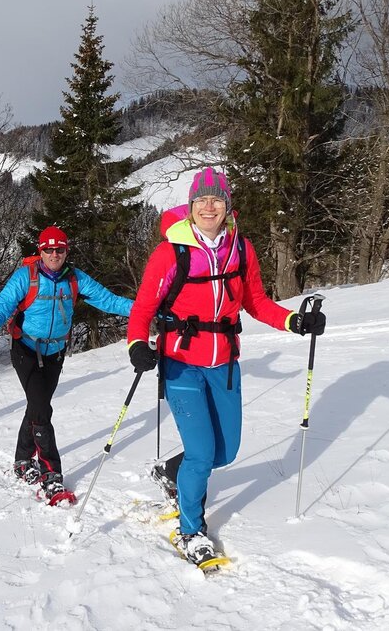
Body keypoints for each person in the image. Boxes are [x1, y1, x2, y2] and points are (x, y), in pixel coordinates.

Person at [126, 167, 326, 565]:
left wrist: (294, 321)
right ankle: (191, 531)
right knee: (202, 454)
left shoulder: (241, 249)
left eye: (216, 199)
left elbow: (256, 302)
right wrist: (136, 344)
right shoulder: (171, 252)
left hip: (225, 363)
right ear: (190, 206)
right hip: (181, 363)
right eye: (201, 200)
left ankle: (172, 472)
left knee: (226, 451)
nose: (209, 206)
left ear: (227, 205)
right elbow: (143, 308)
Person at [0, 225, 133, 500]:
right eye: (48, 249)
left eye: (59, 249)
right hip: (25, 350)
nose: (54, 254)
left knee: (37, 407)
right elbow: (4, 304)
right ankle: (51, 474)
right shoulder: (26, 277)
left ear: (66, 251)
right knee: (41, 409)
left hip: (55, 353)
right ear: (41, 251)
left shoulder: (75, 278)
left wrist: (144, 309)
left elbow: (108, 301)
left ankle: (22, 460)